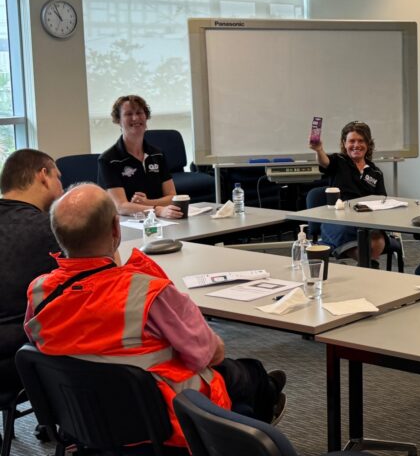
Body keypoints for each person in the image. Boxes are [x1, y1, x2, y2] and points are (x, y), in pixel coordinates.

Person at [23, 184, 286, 448]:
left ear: (58, 236)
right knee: (245, 373)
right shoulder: (146, 291)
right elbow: (207, 354)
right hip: (158, 421)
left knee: (243, 377)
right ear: (116, 228)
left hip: (83, 417)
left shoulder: (39, 291)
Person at [0, 149, 63, 392]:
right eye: (58, 177)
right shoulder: (51, 228)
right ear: (43, 176)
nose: (61, 186)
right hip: (25, 357)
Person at [310, 121, 388, 261]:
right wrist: (318, 150)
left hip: (365, 221)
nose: (356, 145)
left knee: (378, 238)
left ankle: (365, 266)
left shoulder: (376, 172)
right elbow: (324, 162)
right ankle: (367, 267)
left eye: (361, 141)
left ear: (368, 144)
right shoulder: (338, 161)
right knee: (347, 234)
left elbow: (382, 200)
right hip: (337, 220)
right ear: (344, 143)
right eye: (352, 141)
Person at [97, 95, 182, 218]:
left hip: (163, 219)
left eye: (139, 112)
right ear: (118, 120)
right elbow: (121, 206)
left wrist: (148, 204)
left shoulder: (157, 154)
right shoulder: (108, 160)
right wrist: (157, 210)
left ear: (146, 117)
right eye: (128, 114)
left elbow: (172, 197)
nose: (135, 118)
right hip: (128, 224)